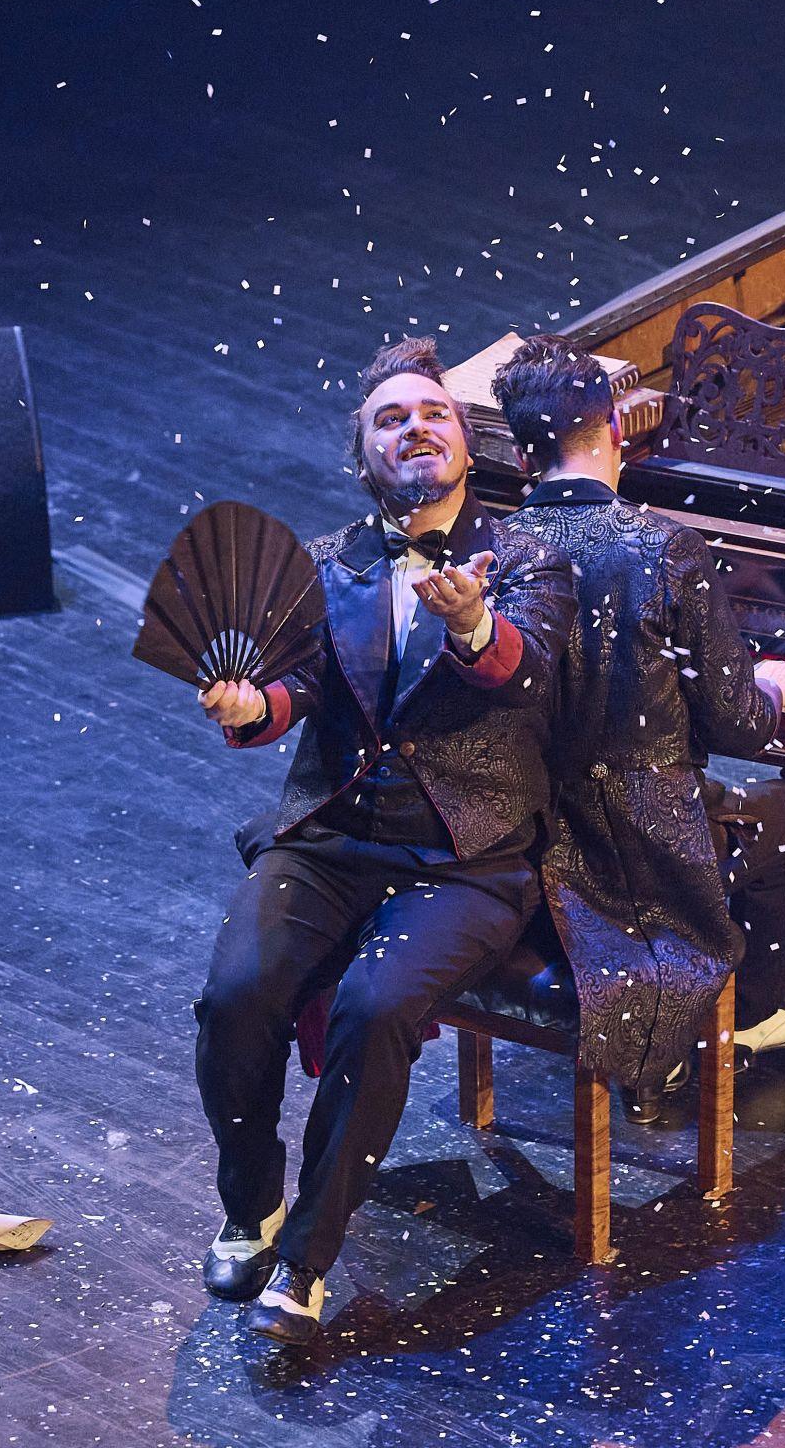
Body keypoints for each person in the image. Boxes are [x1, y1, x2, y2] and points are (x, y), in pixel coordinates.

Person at [190, 337, 575, 1345]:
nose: (416, 428)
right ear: (362, 456)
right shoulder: (327, 564)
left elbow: (526, 676)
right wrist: (252, 708)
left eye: (433, 413)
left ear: (466, 443)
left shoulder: (528, 558)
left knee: (375, 1004)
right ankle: (251, 1203)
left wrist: (474, 624)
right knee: (235, 995)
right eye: (390, 419)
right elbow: (300, 686)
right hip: (331, 837)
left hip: (465, 856)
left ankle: (308, 1258)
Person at [490, 335, 785, 1124]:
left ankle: (664, 1030)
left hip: (536, 848)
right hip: (644, 849)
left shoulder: (495, 551)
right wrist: (772, 688)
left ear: (521, 455)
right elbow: (740, 727)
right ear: (617, 429)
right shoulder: (662, 546)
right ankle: (752, 1013)